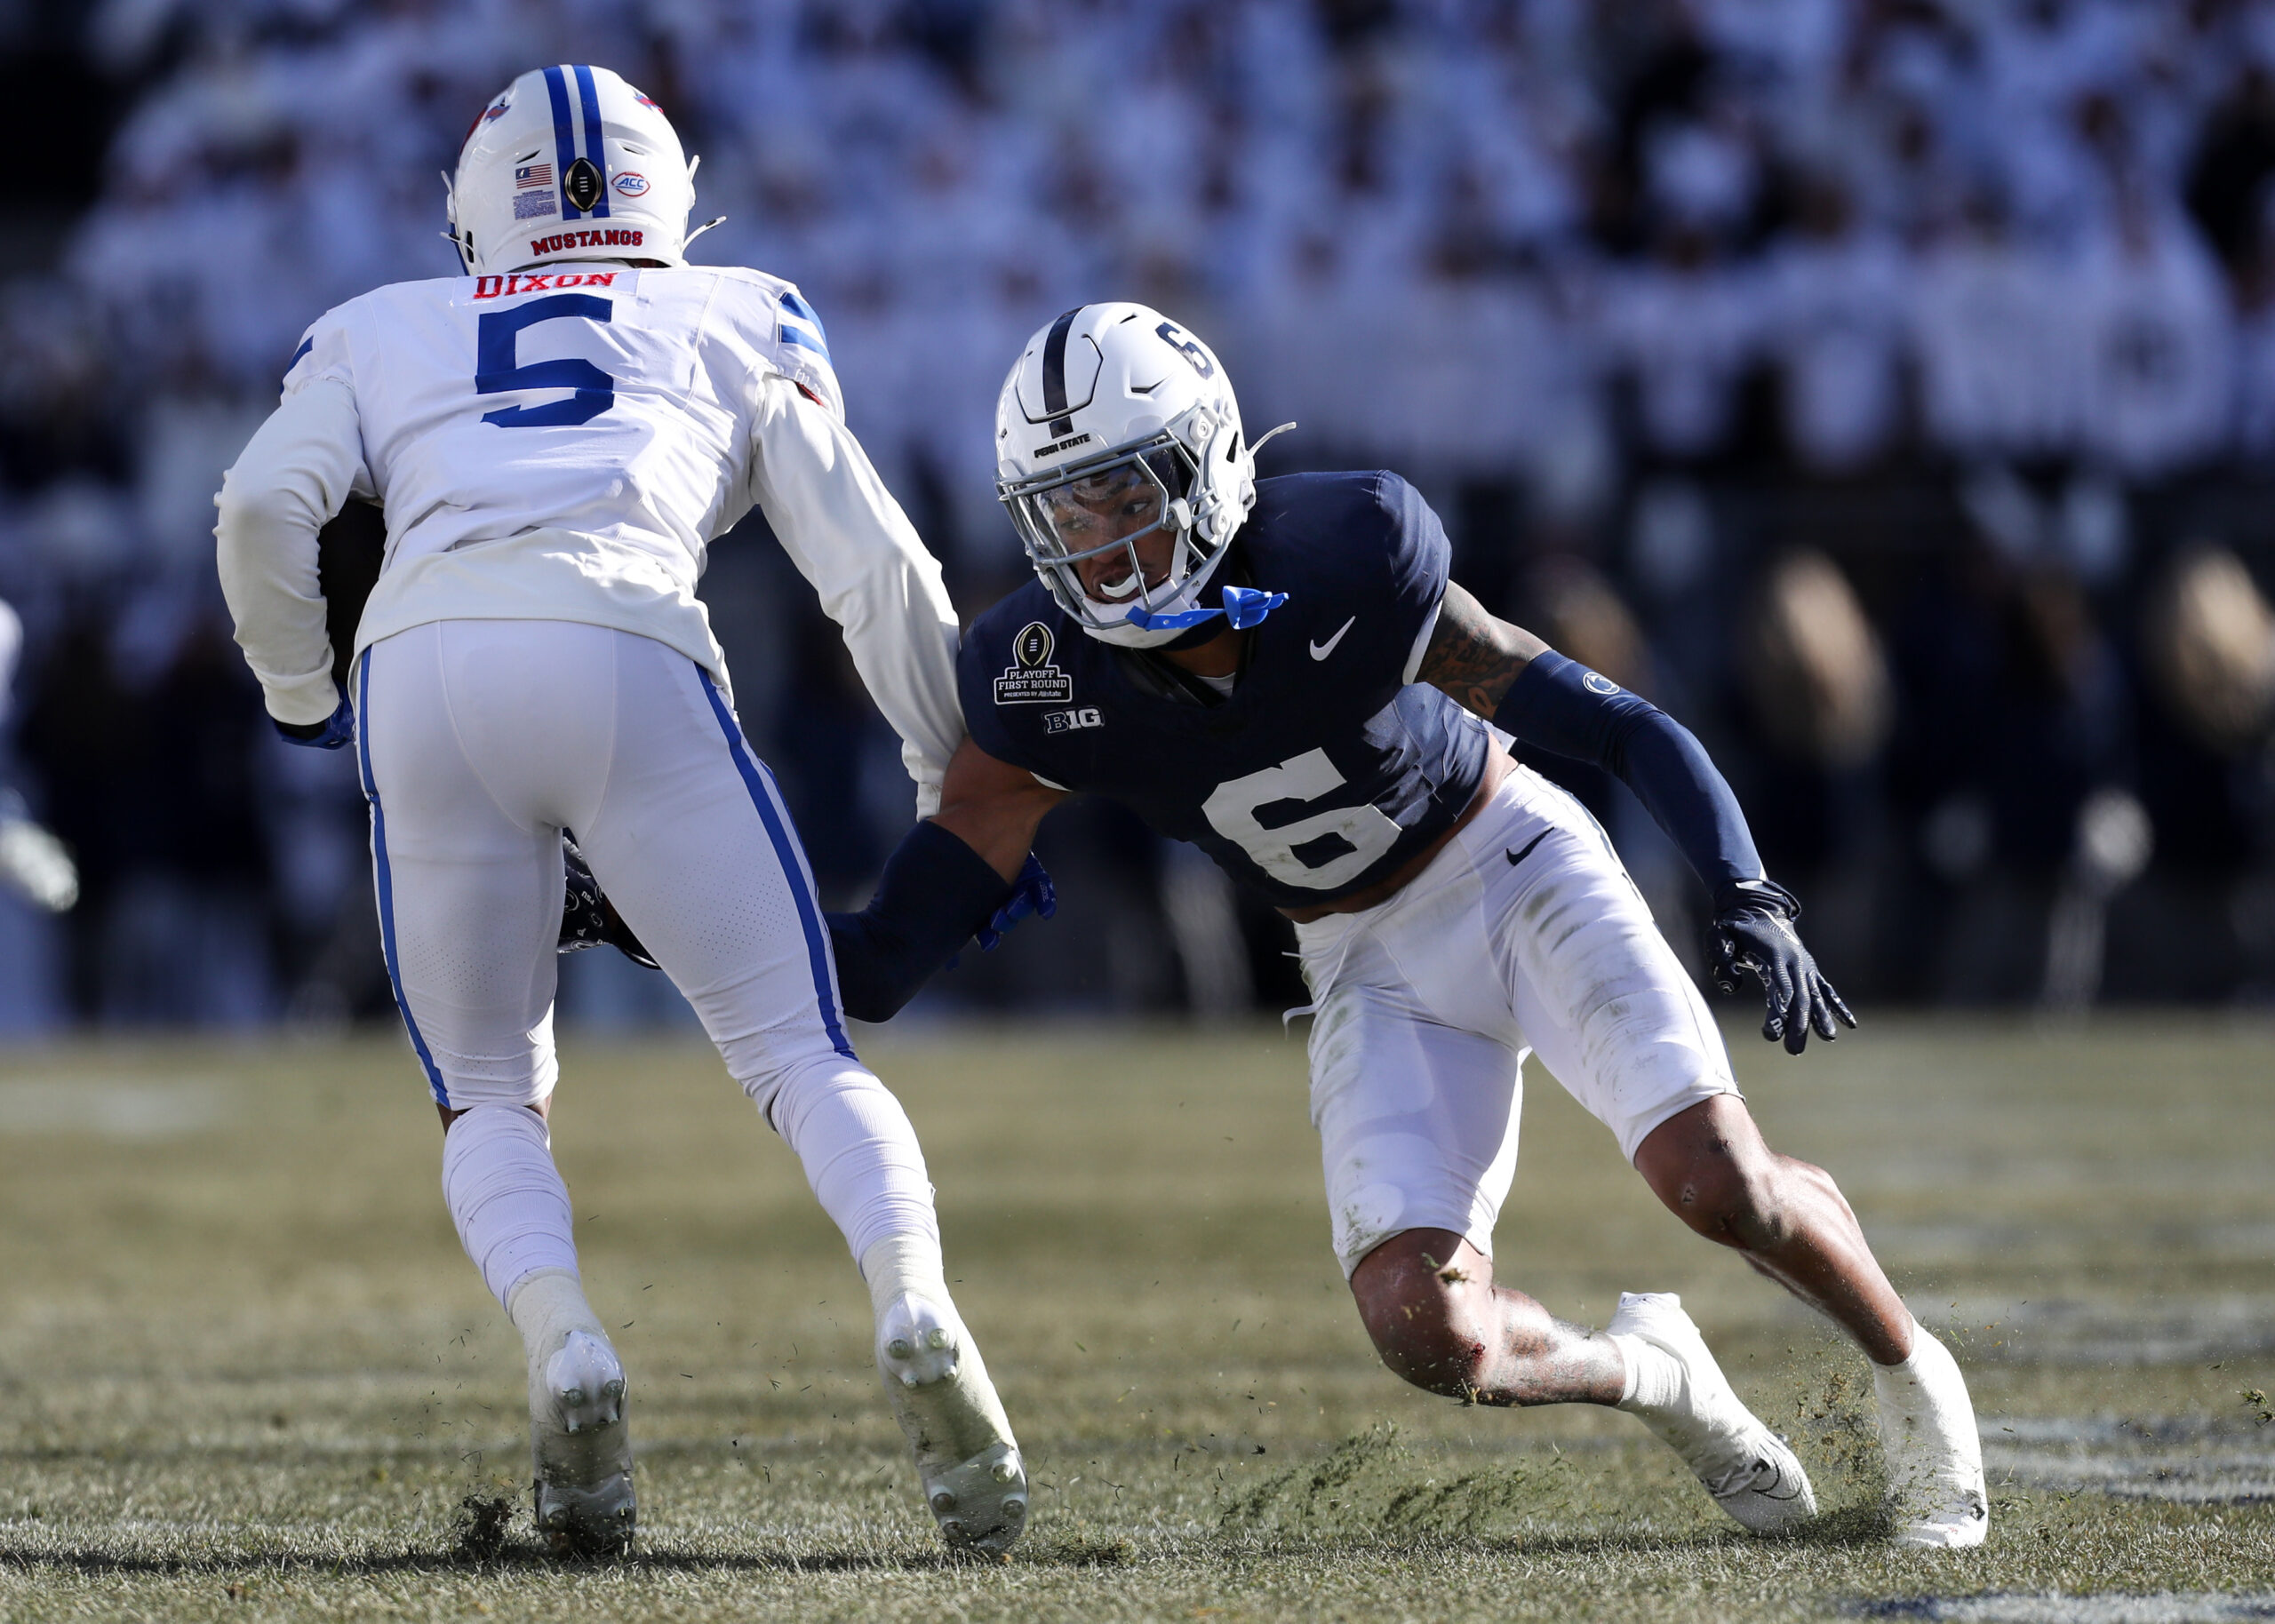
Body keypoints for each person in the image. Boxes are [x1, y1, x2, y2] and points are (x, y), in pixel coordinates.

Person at [823, 303, 1988, 1548]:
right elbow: (889, 956)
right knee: (1428, 1333)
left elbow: (1616, 725)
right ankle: (1659, 1377)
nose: (1097, 544)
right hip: (1362, 957)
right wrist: (675, 918)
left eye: (1121, 494)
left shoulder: (1348, 550)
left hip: (1510, 865)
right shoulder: (1038, 676)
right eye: (1063, 511)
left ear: (1208, 461)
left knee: (1719, 1185)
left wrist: (1745, 885)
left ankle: (1918, 1380)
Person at [213, 66, 1027, 1556]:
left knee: (487, 1089)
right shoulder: (736, 309)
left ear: (477, 210)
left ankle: (566, 1343)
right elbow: (876, 566)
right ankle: (917, 1304)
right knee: (796, 1051)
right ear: (672, 198)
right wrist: (941, 767)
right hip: (628, 641)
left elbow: (261, 508)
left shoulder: (381, 324)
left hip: (423, 663)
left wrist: (298, 698)